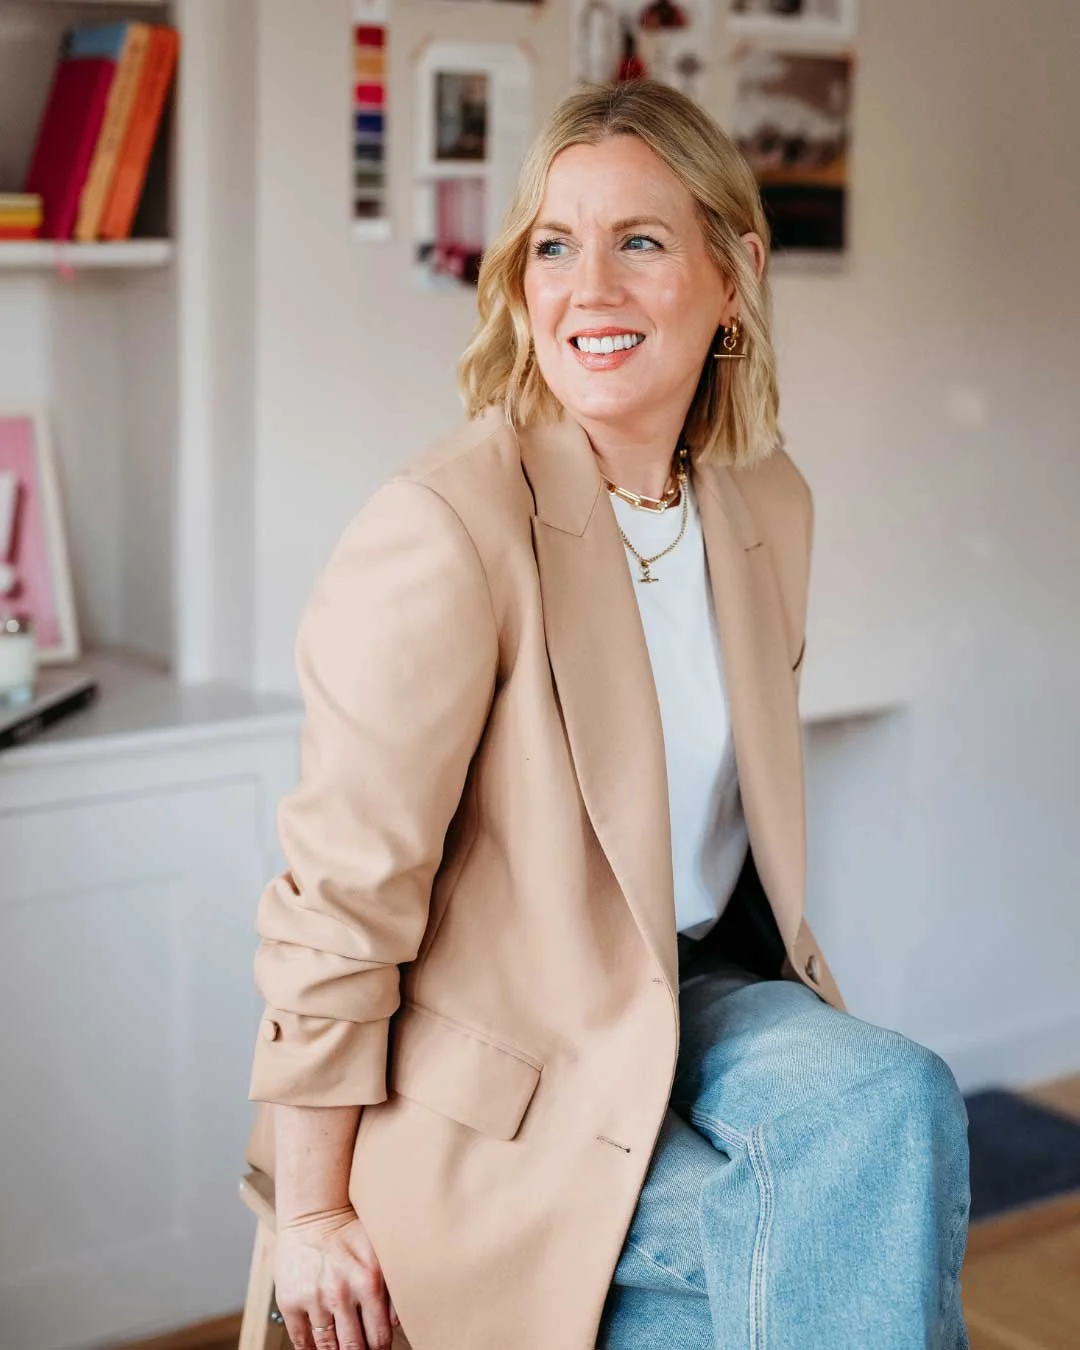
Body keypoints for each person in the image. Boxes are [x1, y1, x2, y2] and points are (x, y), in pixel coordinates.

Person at [247, 79, 970, 1350]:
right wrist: (306, 1212)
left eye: (639, 241)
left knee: (901, 1107)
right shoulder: (446, 529)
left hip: (701, 994)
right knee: (840, 1249)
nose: (591, 290)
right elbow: (340, 900)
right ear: (520, 284)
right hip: (504, 1074)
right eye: (554, 247)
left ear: (732, 271)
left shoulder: (765, 502)